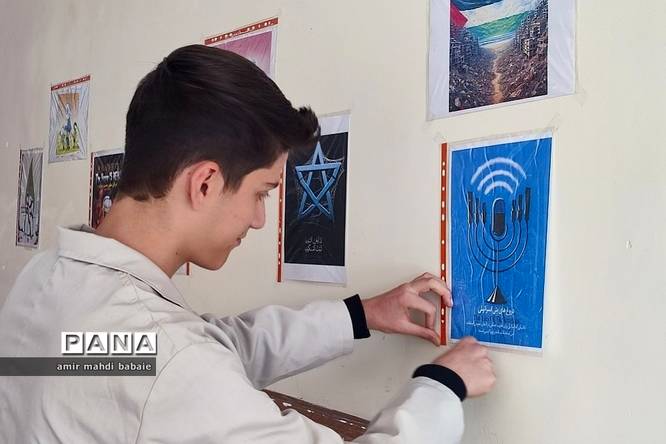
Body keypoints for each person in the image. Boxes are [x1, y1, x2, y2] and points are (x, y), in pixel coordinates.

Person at [0, 45, 495, 443]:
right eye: (261, 192)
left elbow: (207, 347)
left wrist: (361, 315)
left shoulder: (47, 280)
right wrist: (442, 386)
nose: (260, 220)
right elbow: (180, 362)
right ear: (205, 183)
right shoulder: (172, 363)